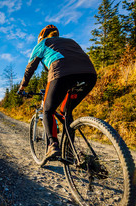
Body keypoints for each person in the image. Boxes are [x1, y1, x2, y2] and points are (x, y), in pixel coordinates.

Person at [17, 24, 97, 167]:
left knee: (48, 110)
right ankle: (70, 153)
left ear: (41, 37)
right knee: (66, 112)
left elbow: (30, 68)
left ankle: (53, 145)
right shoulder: (70, 41)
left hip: (62, 74)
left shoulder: (42, 44)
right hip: (89, 74)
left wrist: (22, 86)